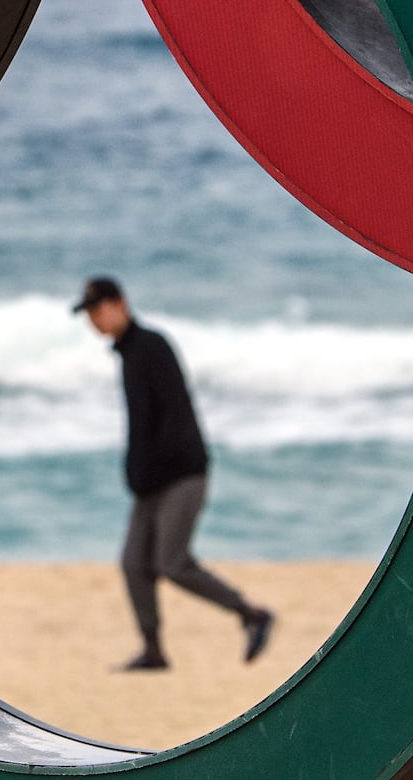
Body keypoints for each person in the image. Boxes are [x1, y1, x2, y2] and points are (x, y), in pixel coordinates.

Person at [78, 276, 276, 672]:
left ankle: (251, 615)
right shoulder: (127, 353)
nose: (94, 321)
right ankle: (154, 651)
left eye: (98, 310)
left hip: (182, 475)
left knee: (171, 563)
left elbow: (175, 415)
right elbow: (143, 425)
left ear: (120, 304)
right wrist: (138, 474)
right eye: (89, 314)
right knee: (135, 563)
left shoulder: (151, 346)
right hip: (151, 483)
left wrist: (152, 470)